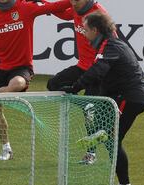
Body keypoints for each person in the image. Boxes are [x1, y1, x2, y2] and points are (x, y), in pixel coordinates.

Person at [0, 0, 71, 161]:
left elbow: (55, 7)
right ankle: (6, 148)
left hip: (21, 67)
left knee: (17, 84)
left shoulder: (26, 7)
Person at [60, 12, 144, 185]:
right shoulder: (108, 44)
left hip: (130, 98)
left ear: (95, 30)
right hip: (125, 97)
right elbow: (103, 75)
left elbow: (98, 70)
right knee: (111, 141)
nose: (83, 33)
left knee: (113, 141)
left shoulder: (110, 45)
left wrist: (76, 86)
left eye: (85, 30)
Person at [46, 0, 117, 164]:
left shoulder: (98, 12)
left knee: (93, 119)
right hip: (81, 67)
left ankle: (91, 153)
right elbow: (60, 11)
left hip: (96, 72)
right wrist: (42, 4)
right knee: (53, 84)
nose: (73, 2)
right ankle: (85, 104)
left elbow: (113, 41)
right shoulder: (74, 7)